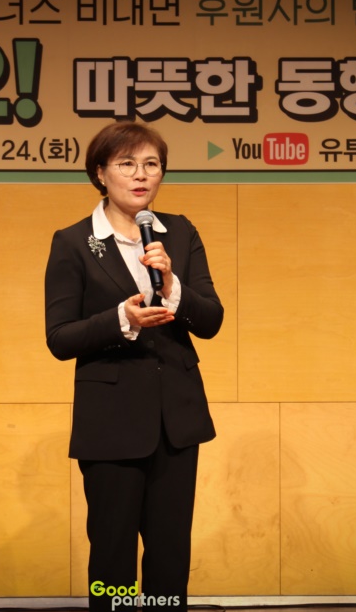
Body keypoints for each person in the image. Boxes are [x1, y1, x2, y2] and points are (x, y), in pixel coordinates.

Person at [44, 121, 223, 612]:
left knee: (170, 552)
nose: (141, 175)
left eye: (151, 164)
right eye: (127, 164)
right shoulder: (74, 242)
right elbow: (60, 338)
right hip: (111, 422)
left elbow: (211, 320)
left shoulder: (178, 232)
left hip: (176, 420)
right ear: (100, 173)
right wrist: (121, 318)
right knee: (113, 553)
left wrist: (173, 285)